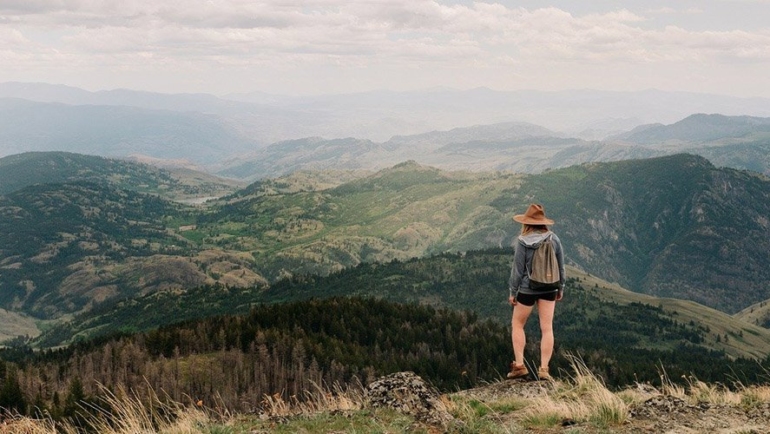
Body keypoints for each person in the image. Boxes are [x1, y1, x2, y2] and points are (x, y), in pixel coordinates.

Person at [507, 203, 565, 380]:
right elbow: (561, 266)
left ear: (527, 222)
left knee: (517, 324)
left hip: (527, 288)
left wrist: (513, 291)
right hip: (549, 286)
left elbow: (517, 270)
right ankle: (544, 369)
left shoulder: (522, 241)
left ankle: (519, 365)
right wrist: (560, 287)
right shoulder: (553, 239)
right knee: (547, 328)